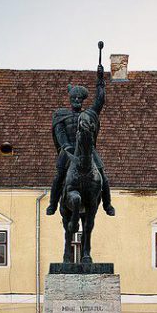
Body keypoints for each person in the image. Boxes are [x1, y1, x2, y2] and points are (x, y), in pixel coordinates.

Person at [46, 64, 115, 216]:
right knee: (58, 176)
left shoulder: (89, 114)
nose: (77, 100)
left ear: (82, 100)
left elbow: (100, 101)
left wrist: (100, 80)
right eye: (74, 97)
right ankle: (52, 204)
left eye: (79, 98)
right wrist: (66, 146)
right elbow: (60, 133)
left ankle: (107, 205)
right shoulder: (60, 114)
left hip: (88, 150)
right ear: (70, 98)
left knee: (103, 176)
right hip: (68, 149)